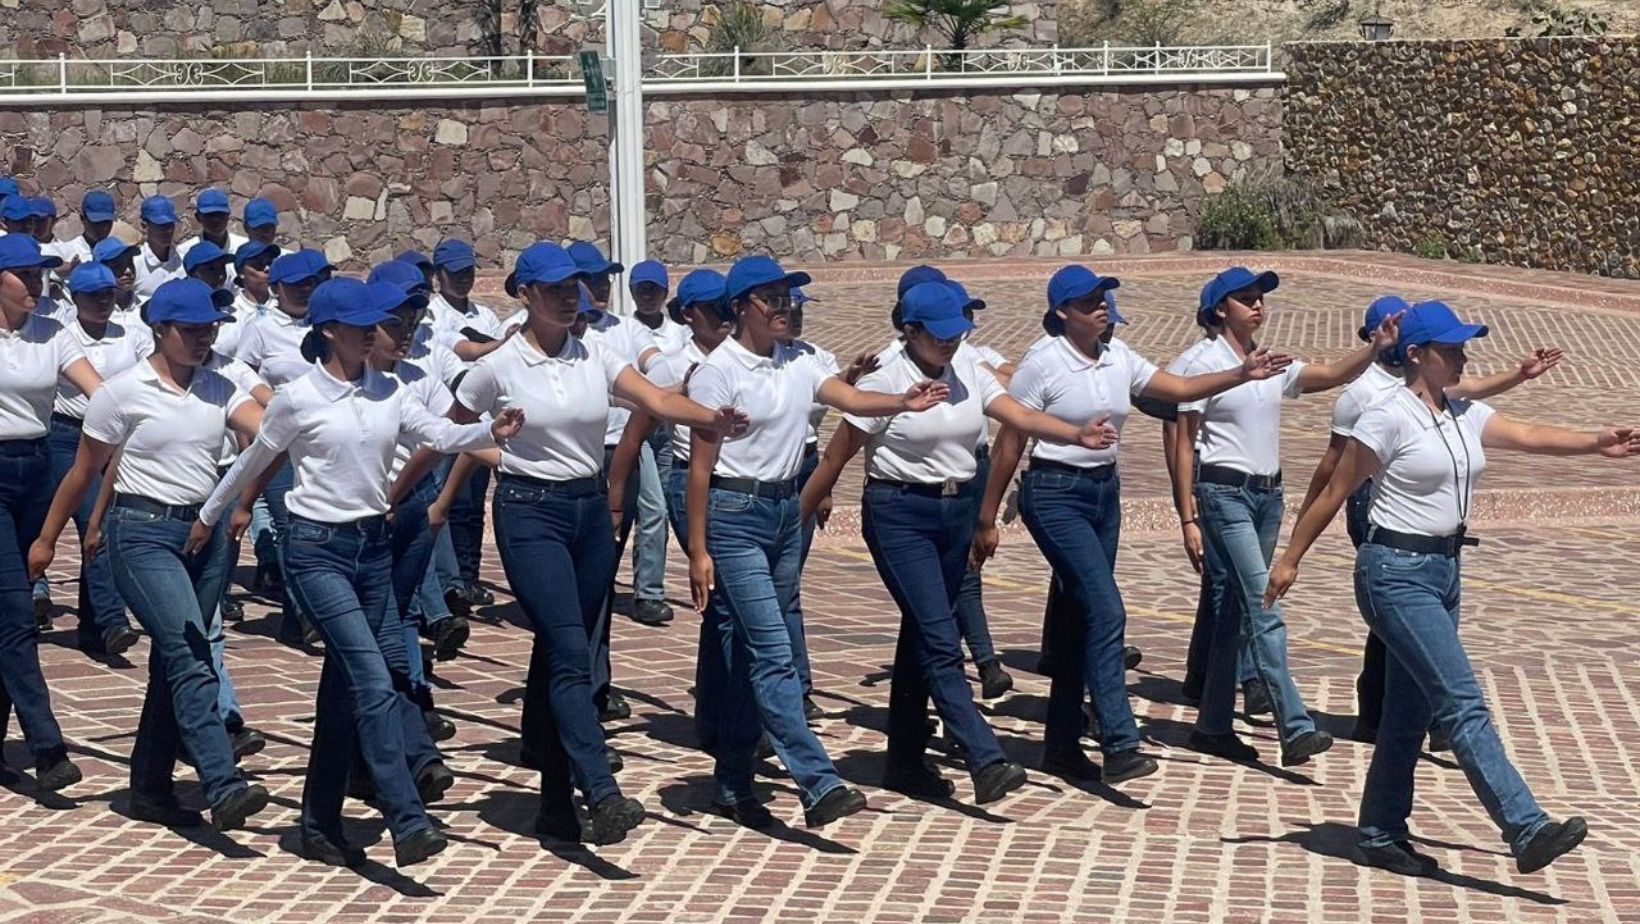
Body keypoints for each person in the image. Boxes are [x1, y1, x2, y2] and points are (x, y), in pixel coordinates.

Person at [1265, 299, 1622, 876]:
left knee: (1409, 711)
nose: (1462, 357)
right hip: (1393, 573)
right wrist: (1290, 560)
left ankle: (1379, 831)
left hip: (1443, 571)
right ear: (1416, 355)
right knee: (1460, 701)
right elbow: (1335, 490)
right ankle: (1526, 827)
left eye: (1463, 348)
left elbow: (1528, 434)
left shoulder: (1463, 410)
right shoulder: (1386, 415)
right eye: (1451, 349)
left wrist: (1595, 442)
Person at [200, 277, 520, 868]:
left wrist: (488, 432)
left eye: (380, 323)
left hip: (373, 551)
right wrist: (211, 517)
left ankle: (318, 820)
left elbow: (440, 433)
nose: (379, 331)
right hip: (316, 552)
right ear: (330, 332)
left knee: (345, 691)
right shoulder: (297, 397)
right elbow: (254, 458)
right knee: (375, 680)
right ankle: (406, 817)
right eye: (365, 324)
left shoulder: (391, 391)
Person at [435, 241, 743, 845]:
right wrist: (453, 485)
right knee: (572, 653)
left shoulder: (594, 352)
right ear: (524, 295)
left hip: (589, 514)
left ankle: (554, 804)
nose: (567, 297)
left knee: (560, 656)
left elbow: (654, 399)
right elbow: (448, 430)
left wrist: (707, 416)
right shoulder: (497, 366)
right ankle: (599, 789)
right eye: (552, 288)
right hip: (530, 516)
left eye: (572, 287)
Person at [802, 280, 1129, 803]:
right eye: (939, 336)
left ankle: (905, 761)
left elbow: (1017, 414)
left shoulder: (969, 370)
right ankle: (985, 756)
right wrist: (798, 517)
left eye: (957, 333)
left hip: (954, 514)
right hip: (899, 513)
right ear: (910, 331)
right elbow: (835, 456)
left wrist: (1076, 435)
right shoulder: (887, 379)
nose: (951, 343)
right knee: (938, 634)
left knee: (921, 636)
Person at [971, 264, 1293, 785]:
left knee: (1081, 618)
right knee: (1105, 607)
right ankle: (1119, 741)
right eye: (1089, 300)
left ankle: (1060, 745)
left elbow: (1179, 386)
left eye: (1104, 297)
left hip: (1104, 493)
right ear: (1062, 313)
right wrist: (987, 518)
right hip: (1054, 493)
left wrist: (1240, 373)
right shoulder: (1043, 361)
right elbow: (1012, 441)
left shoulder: (1118, 355)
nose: (1102, 305)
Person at [685, 254, 949, 828]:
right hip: (733, 515)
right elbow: (700, 467)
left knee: (743, 654)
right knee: (775, 651)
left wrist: (902, 401)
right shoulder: (717, 371)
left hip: (785, 510)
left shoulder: (800, 360)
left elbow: (849, 399)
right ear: (740, 309)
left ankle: (731, 780)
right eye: (772, 299)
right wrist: (698, 549)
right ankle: (818, 782)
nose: (785, 308)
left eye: (788, 298)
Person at [27, 278, 271, 831]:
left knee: (174, 658)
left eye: (210, 328)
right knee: (190, 652)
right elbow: (86, 471)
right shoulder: (122, 391)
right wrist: (48, 539)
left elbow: (264, 437)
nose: (203, 338)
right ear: (160, 331)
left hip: (203, 536)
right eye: (191, 330)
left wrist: (249, 487)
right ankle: (222, 780)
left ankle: (149, 787)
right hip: (140, 533)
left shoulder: (219, 386)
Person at [1294, 296, 1564, 744]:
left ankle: (1399, 716)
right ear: (1381, 335)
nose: (1398, 331)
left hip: (1420, 511)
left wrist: (1519, 375)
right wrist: (1302, 532)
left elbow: (1471, 391)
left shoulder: (1429, 387)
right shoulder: (1361, 394)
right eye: (1391, 326)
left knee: (1406, 621)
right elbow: (1333, 467)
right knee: (1401, 610)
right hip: (1374, 505)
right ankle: (1420, 714)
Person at [1169, 266, 1399, 767]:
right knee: (1264, 601)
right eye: (1245, 298)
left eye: (1260, 298)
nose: (1258, 305)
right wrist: (1186, 514)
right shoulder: (1198, 363)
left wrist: (1375, 348)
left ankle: (1211, 726)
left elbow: (1331, 375)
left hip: (1267, 497)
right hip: (1223, 495)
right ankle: (1293, 724)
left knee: (1235, 610)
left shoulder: (1268, 361)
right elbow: (1184, 442)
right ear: (1218, 309)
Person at [0, 234, 101, 792]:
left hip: (38, 472)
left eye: (39, 275)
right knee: (16, 613)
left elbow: (98, 392)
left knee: (6, 614)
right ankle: (47, 745)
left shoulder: (52, 333)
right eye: (24, 275)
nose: (35, 284)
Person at [569, 241, 661, 721]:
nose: (602, 286)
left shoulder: (623, 330)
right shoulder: (539, 341)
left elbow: (654, 363)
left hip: (618, 452)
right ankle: (577, 685)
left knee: (602, 577)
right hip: (569, 469)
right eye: (592, 278)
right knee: (579, 586)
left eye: (606, 278)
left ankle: (597, 682)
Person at [234, 248, 333, 644]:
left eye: (313, 282)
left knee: (317, 524)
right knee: (290, 526)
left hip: (324, 440)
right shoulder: (260, 328)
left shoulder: (327, 323)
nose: (307, 291)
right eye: (298, 285)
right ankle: (307, 616)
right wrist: (262, 402)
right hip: (278, 441)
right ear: (276, 289)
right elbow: (240, 371)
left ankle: (302, 616)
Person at [43, 263, 142, 657]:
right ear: (74, 298)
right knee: (91, 519)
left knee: (105, 522)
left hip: (118, 439)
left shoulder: (131, 336)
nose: (103, 302)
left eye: (108, 294)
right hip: (71, 436)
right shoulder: (64, 338)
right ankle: (112, 618)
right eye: (92, 296)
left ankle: (92, 626)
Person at [424, 239, 503, 616]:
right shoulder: (432, 315)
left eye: (468, 272)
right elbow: (466, 351)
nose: (463, 279)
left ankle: (467, 578)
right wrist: (499, 346)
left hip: (482, 421)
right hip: (448, 417)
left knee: (472, 504)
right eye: (455, 273)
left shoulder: (485, 315)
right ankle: (443, 581)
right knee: (442, 499)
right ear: (439, 276)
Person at [623, 259, 683, 627]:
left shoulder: (680, 333)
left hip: (669, 429)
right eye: (641, 289)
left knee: (659, 510)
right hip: (639, 426)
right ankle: (649, 592)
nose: (647, 296)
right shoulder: (625, 330)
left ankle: (647, 582)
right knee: (652, 505)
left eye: (654, 290)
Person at [132, 196, 184, 302]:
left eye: (170, 225)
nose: (168, 231)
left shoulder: (183, 261)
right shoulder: (135, 264)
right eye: (162, 226)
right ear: (145, 226)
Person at [50, 189, 117, 268]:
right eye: (97, 223)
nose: (103, 228)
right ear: (82, 218)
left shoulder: (119, 252)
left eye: (107, 222)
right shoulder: (67, 251)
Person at [177, 189, 247, 261]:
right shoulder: (185, 252)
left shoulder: (243, 247)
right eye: (210, 215)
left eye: (220, 214)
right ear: (198, 217)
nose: (215, 220)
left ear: (228, 215)